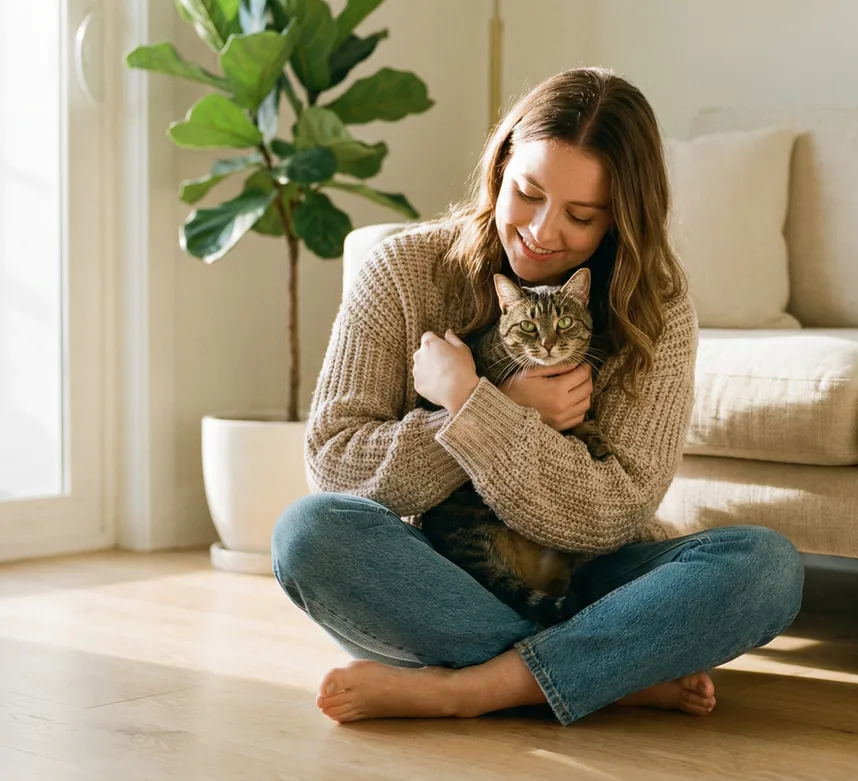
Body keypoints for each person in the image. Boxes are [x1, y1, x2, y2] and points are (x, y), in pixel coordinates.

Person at [270, 67, 804, 726]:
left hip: (592, 577)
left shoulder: (655, 304)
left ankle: (474, 686)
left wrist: (474, 404)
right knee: (306, 533)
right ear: (500, 168)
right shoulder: (404, 272)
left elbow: (612, 511)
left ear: (620, 217)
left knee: (767, 568)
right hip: (451, 577)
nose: (543, 232)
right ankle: (598, 669)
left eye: (581, 216)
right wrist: (497, 405)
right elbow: (337, 464)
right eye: (526, 193)